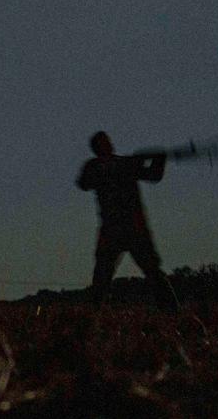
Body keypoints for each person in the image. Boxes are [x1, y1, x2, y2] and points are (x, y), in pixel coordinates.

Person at [77, 131, 180, 312]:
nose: (109, 144)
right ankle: (95, 312)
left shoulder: (122, 164)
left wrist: (159, 160)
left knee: (150, 271)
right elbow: (84, 183)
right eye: (105, 142)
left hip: (128, 227)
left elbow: (154, 175)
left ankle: (170, 309)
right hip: (120, 228)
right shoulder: (102, 166)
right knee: (104, 274)